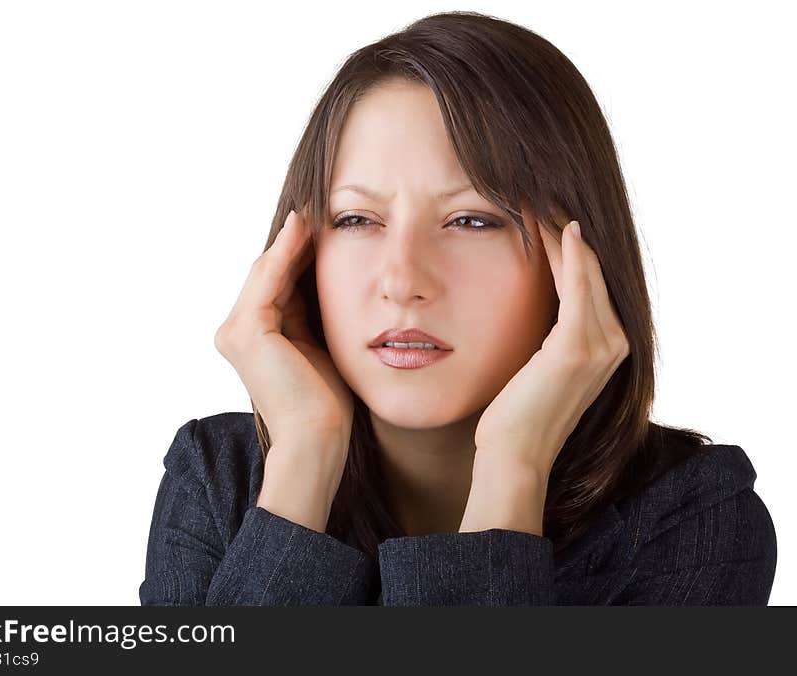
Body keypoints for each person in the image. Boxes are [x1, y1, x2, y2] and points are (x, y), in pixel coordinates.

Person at [139, 11, 777, 605]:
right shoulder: (217, 478)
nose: (402, 280)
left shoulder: (691, 515)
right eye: (357, 218)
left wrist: (513, 466)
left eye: (471, 220)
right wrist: (304, 458)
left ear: (581, 259)